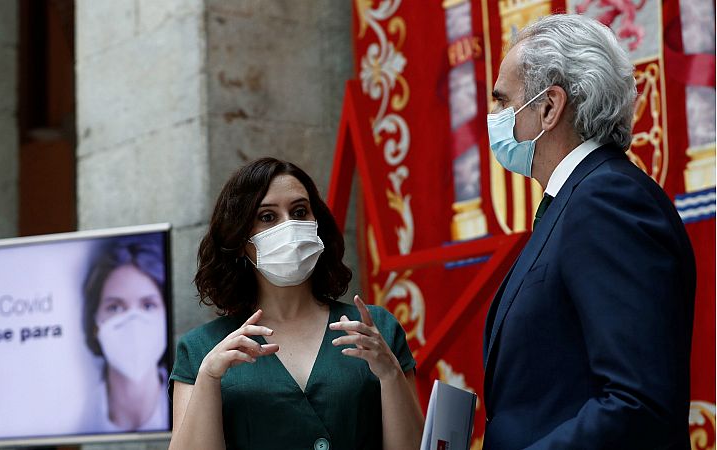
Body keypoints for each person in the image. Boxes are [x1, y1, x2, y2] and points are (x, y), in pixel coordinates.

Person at [482, 14, 696, 449]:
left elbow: (637, 403)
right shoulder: (576, 200)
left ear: (548, 107)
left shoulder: (606, 200)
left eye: (504, 102)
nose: (495, 116)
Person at [168, 158, 423, 450]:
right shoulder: (201, 348)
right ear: (239, 239)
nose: (289, 226)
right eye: (267, 216)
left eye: (300, 211)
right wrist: (209, 377)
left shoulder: (375, 329)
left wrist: (390, 373)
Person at [83, 237, 169, 431]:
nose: (133, 321)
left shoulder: (188, 404)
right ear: (94, 322)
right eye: (114, 307)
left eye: (148, 305)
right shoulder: (76, 416)